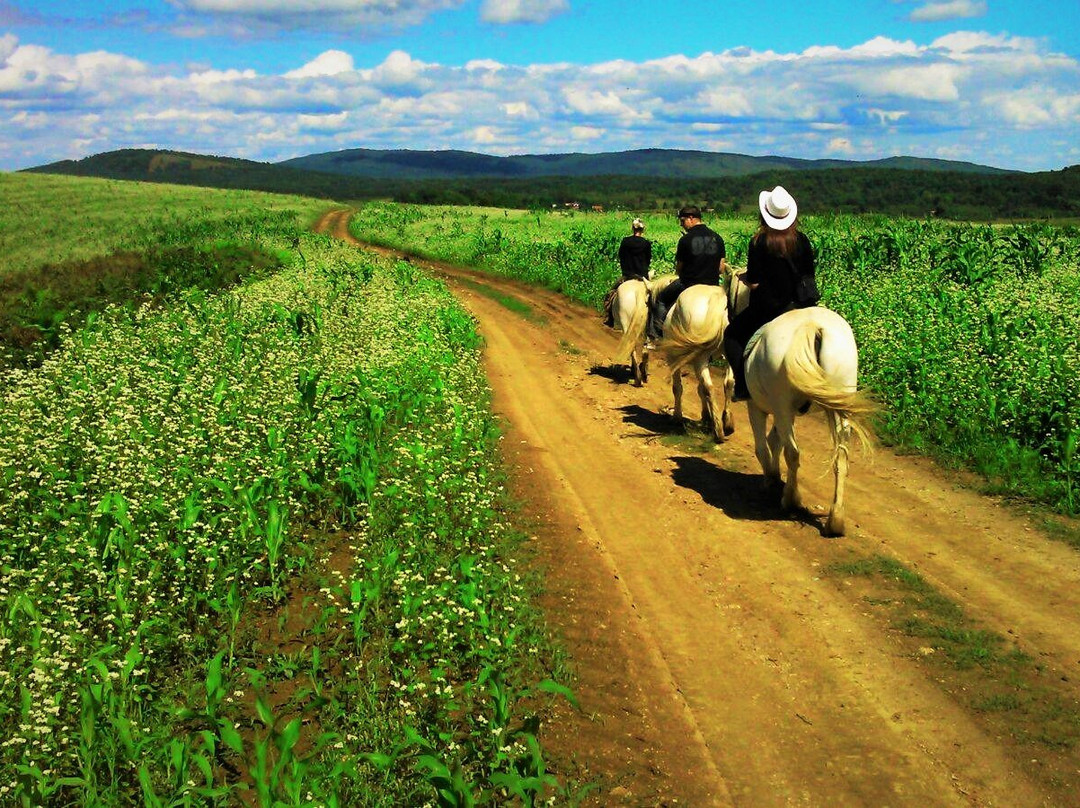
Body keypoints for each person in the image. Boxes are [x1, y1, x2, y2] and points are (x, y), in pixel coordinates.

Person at [723, 185, 818, 401]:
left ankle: (743, 386)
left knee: (732, 335)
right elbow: (809, 275)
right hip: (802, 305)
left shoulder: (759, 241)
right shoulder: (802, 240)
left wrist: (744, 279)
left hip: (770, 308)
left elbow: (755, 283)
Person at [646, 205, 725, 342]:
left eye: (682, 221)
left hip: (688, 283)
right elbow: (721, 269)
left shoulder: (685, 240)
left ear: (691, 218)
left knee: (660, 299)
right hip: (714, 286)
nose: (682, 225)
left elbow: (679, 269)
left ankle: (656, 335)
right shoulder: (718, 238)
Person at [603, 217, 652, 327]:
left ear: (632, 229)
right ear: (643, 230)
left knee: (611, 294)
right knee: (654, 300)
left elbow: (621, 256)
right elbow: (648, 260)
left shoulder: (625, 242)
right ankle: (654, 326)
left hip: (628, 275)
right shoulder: (646, 243)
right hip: (642, 277)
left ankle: (609, 318)